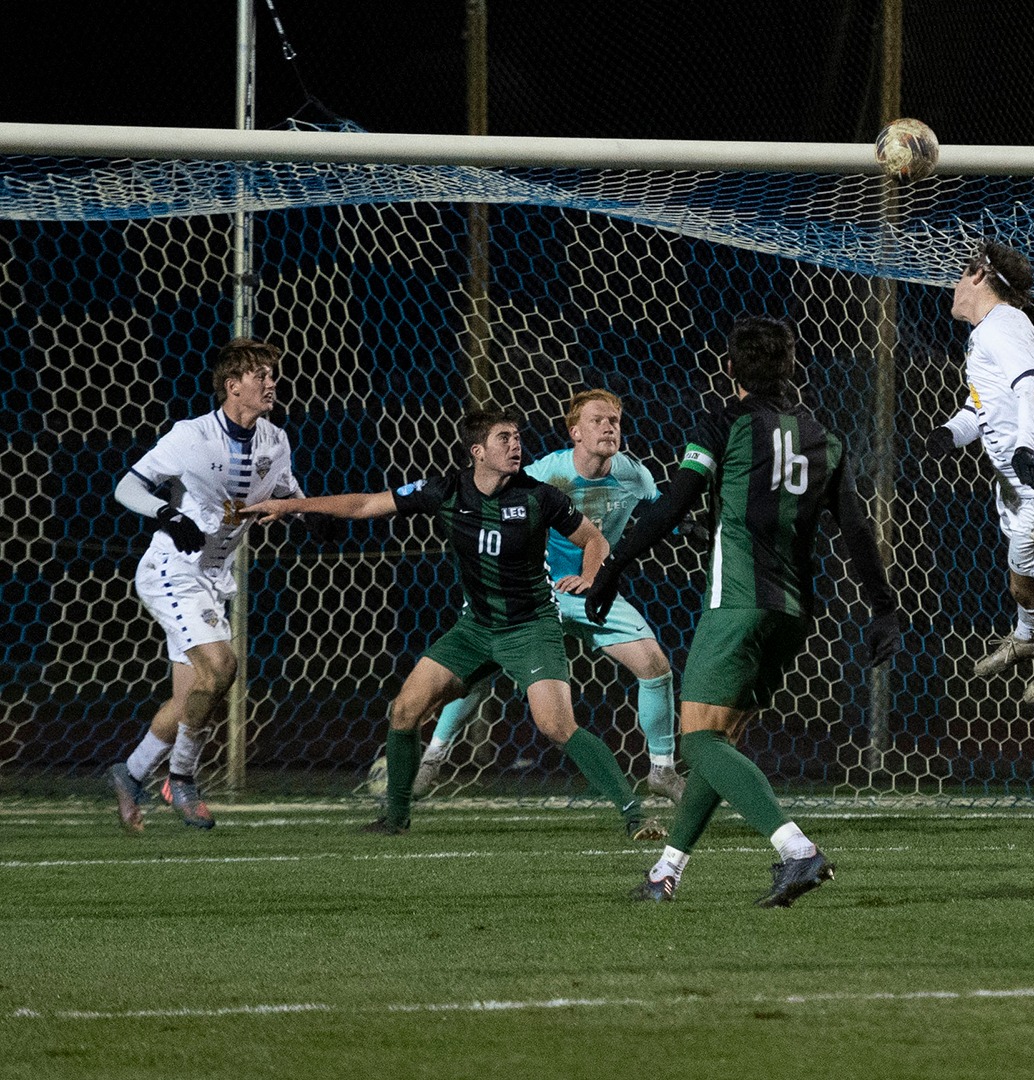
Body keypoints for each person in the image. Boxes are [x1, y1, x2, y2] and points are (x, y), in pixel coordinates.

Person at [586, 316, 901, 907]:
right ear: (791, 365)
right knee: (720, 740)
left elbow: (673, 505)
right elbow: (856, 528)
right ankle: (665, 874)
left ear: (730, 368)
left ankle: (798, 852)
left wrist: (613, 566)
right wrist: (884, 608)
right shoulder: (822, 436)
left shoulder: (725, 424)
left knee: (698, 741)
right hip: (794, 613)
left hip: (736, 602)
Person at [243, 405, 650, 840]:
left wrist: (590, 577)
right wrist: (292, 506)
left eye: (516, 437)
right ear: (478, 451)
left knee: (555, 725)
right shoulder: (447, 491)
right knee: (404, 710)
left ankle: (634, 815)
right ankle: (395, 818)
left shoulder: (539, 496)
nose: (516, 445)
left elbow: (594, 538)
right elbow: (365, 504)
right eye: (504, 438)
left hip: (530, 626)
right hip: (475, 629)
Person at [384, 390, 689, 817]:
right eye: (598, 419)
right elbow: (498, 503)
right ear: (575, 432)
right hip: (531, 592)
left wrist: (691, 523)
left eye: (615, 420)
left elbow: (663, 513)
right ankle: (432, 757)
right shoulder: (545, 473)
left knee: (654, 665)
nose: (609, 427)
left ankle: (662, 770)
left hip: (590, 589)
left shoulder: (634, 474)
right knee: (473, 669)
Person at [107, 338, 337, 833]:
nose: (272, 383)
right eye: (261, 376)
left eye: (272, 375)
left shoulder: (275, 441)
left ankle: (130, 774)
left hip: (212, 582)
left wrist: (312, 516)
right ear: (233, 387)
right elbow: (127, 485)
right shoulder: (191, 435)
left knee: (193, 695)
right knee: (223, 666)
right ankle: (182, 780)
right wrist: (167, 514)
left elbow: (285, 493)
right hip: (171, 570)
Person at [924, 241, 1034, 706]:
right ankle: (1026, 635)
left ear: (979, 274)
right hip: (1027, 484)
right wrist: (949, 434)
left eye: (961, 274)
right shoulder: (989, 332)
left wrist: (1022, 449)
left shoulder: (1005, 324)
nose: (954, 285)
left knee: (1026, 584)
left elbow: (1032, 388)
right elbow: (985, 409)